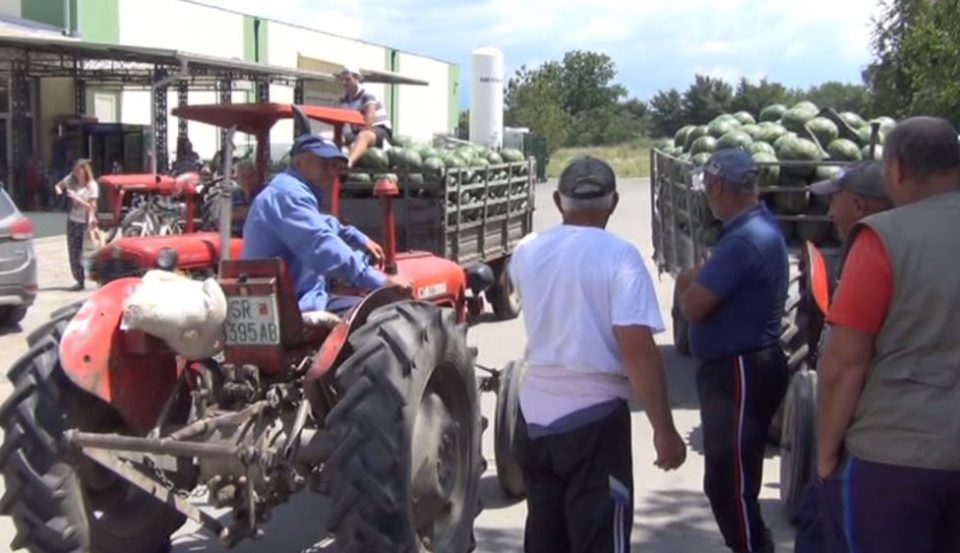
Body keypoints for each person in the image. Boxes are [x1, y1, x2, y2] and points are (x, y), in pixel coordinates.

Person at [509, 156, 687, 553]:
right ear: (614, 203)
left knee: (545, 535)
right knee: (601, 540)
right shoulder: (619, 256)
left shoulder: (526, 250)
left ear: (558, 201)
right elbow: (637, 351)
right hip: (593, 424)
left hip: (533, 419)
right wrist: (664, 430)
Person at [816, 116, 960, 553]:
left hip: (897, 459)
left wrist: (825, 455)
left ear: (894, 170)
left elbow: (845, 364)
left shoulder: (884, 238)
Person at [676, 148, 789, 553]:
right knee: (729, 480)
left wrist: (692, 281)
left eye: (707, 186)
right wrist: (698, 279)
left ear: (719, 185)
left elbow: (692, 305)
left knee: (731, 485)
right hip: (739, 368)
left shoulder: (745, 240)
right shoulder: (749, 229)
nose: (706, 194)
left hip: (740, 369)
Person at [790, 160, 892, 553]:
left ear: (861, 206)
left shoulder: (871, 254)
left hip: (864, 445)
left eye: (837, 202)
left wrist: (825, 458)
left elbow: (844, 367)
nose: (830, 213)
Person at [242, 134, 409, 315]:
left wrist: (357, 237)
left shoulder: (287, 190)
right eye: (324, 164)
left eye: (335, 166)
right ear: (299, 163)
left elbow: (322, 223)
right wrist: (379, 281)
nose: (331, 172)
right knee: (386, 314)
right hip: (294, 305)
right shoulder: (289, 194)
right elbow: (320, 243)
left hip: (293, 297)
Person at [54, 158, 100, 291]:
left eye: (79, 171)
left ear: (85, 171)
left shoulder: (92, 186)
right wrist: (59, 192)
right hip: (73, 220)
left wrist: (77, 199)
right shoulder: (71, 180)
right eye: (75, 171)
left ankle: (95, 277)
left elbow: (92, 207)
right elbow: (58, 185)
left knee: (87, 252)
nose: (76, 174)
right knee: (73, 252)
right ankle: (79, 281)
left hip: (85, 223)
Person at [338, 65, 393, 168]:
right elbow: (342, 121)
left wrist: (354, 144)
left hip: (379, 131)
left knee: (364, 135)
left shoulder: (367, 93)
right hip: (357, 132)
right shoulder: (343, 99)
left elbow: (370, 118)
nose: (344, 83)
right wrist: (338, 137)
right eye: (342, 80)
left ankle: (348, 163)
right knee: (328, 136)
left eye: (347, 79)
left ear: (357, 78)